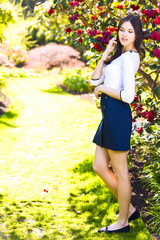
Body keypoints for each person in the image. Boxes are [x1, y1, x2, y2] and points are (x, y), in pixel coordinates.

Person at [91, 13, 143, 234]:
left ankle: (123, 221)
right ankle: (128, 209)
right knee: (99, 167)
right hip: (109, 115)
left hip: (118, 114)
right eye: (122, 29)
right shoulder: (119, 56)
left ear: (137, 35)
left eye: (130, 31)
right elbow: (94, 80)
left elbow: (129, 95)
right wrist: (105, 55)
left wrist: (102, 89)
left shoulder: (130, 57)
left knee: (121, 171)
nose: (124, 34)